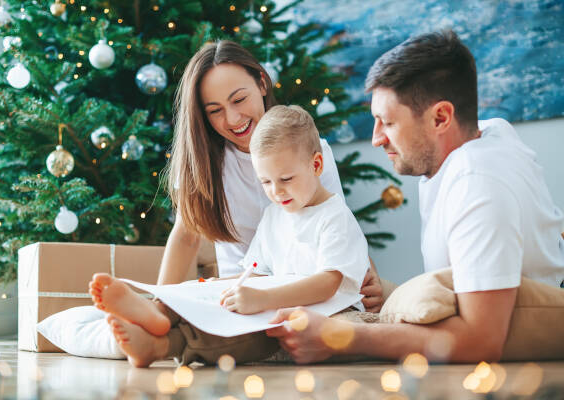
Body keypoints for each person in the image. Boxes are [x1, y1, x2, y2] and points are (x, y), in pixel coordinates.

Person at [266, 29, 564, 363]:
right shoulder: (487, 133)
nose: (377, 139)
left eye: (387, 122)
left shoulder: (477, 183)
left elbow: (483, 341)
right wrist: (389, 294)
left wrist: (339, 337)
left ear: (441, 117)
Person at [89, 105, 371, 367]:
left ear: (317, 165)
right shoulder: (275, 214)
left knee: (258, 333)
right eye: (265, 182)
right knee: (209, 292)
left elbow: (327, 284)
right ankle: (162, 310)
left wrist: (263, 300)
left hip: (326, 310)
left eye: (286, 179)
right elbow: (258, 272)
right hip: (278, 301)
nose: (276, 191)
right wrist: (220, 285)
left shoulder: (334, 216)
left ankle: (162, 345)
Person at [157, 40, 384, 311]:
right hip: (245, 291)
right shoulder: (205, 165)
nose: (232, 119)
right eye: (215, 111)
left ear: (262, 84)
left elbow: (335, 218)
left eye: (239, 99)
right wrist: (162, 301)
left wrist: (366, 275)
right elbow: (186, 237)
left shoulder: (310, 150)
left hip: (308, 293)